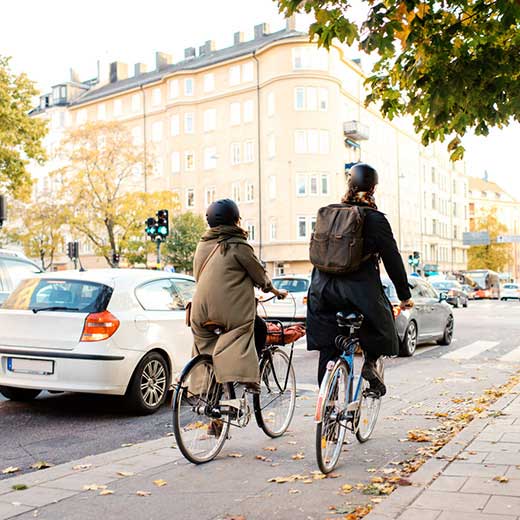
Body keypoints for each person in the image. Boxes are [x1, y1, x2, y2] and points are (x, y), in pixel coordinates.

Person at [307, 163, 413, 395]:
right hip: (357, 291)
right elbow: (392, 260)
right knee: (382, 322)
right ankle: (371, 364)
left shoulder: (329, 214)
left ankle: (327, 400)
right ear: (373, 189)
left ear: (349, 185)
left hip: (320, 290)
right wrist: (404, 296)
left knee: (328, 345)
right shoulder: (374, 219)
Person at [190, 199, 287, 394]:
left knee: (206, 345)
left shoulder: (202, 245)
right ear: (235, 220)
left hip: (198, 311)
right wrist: (276, 291)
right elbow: (260, 277)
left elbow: (198, 275)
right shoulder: (238, 244)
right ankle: (249, 378)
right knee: (257, 327)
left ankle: (209, 398)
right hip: (229, 311)